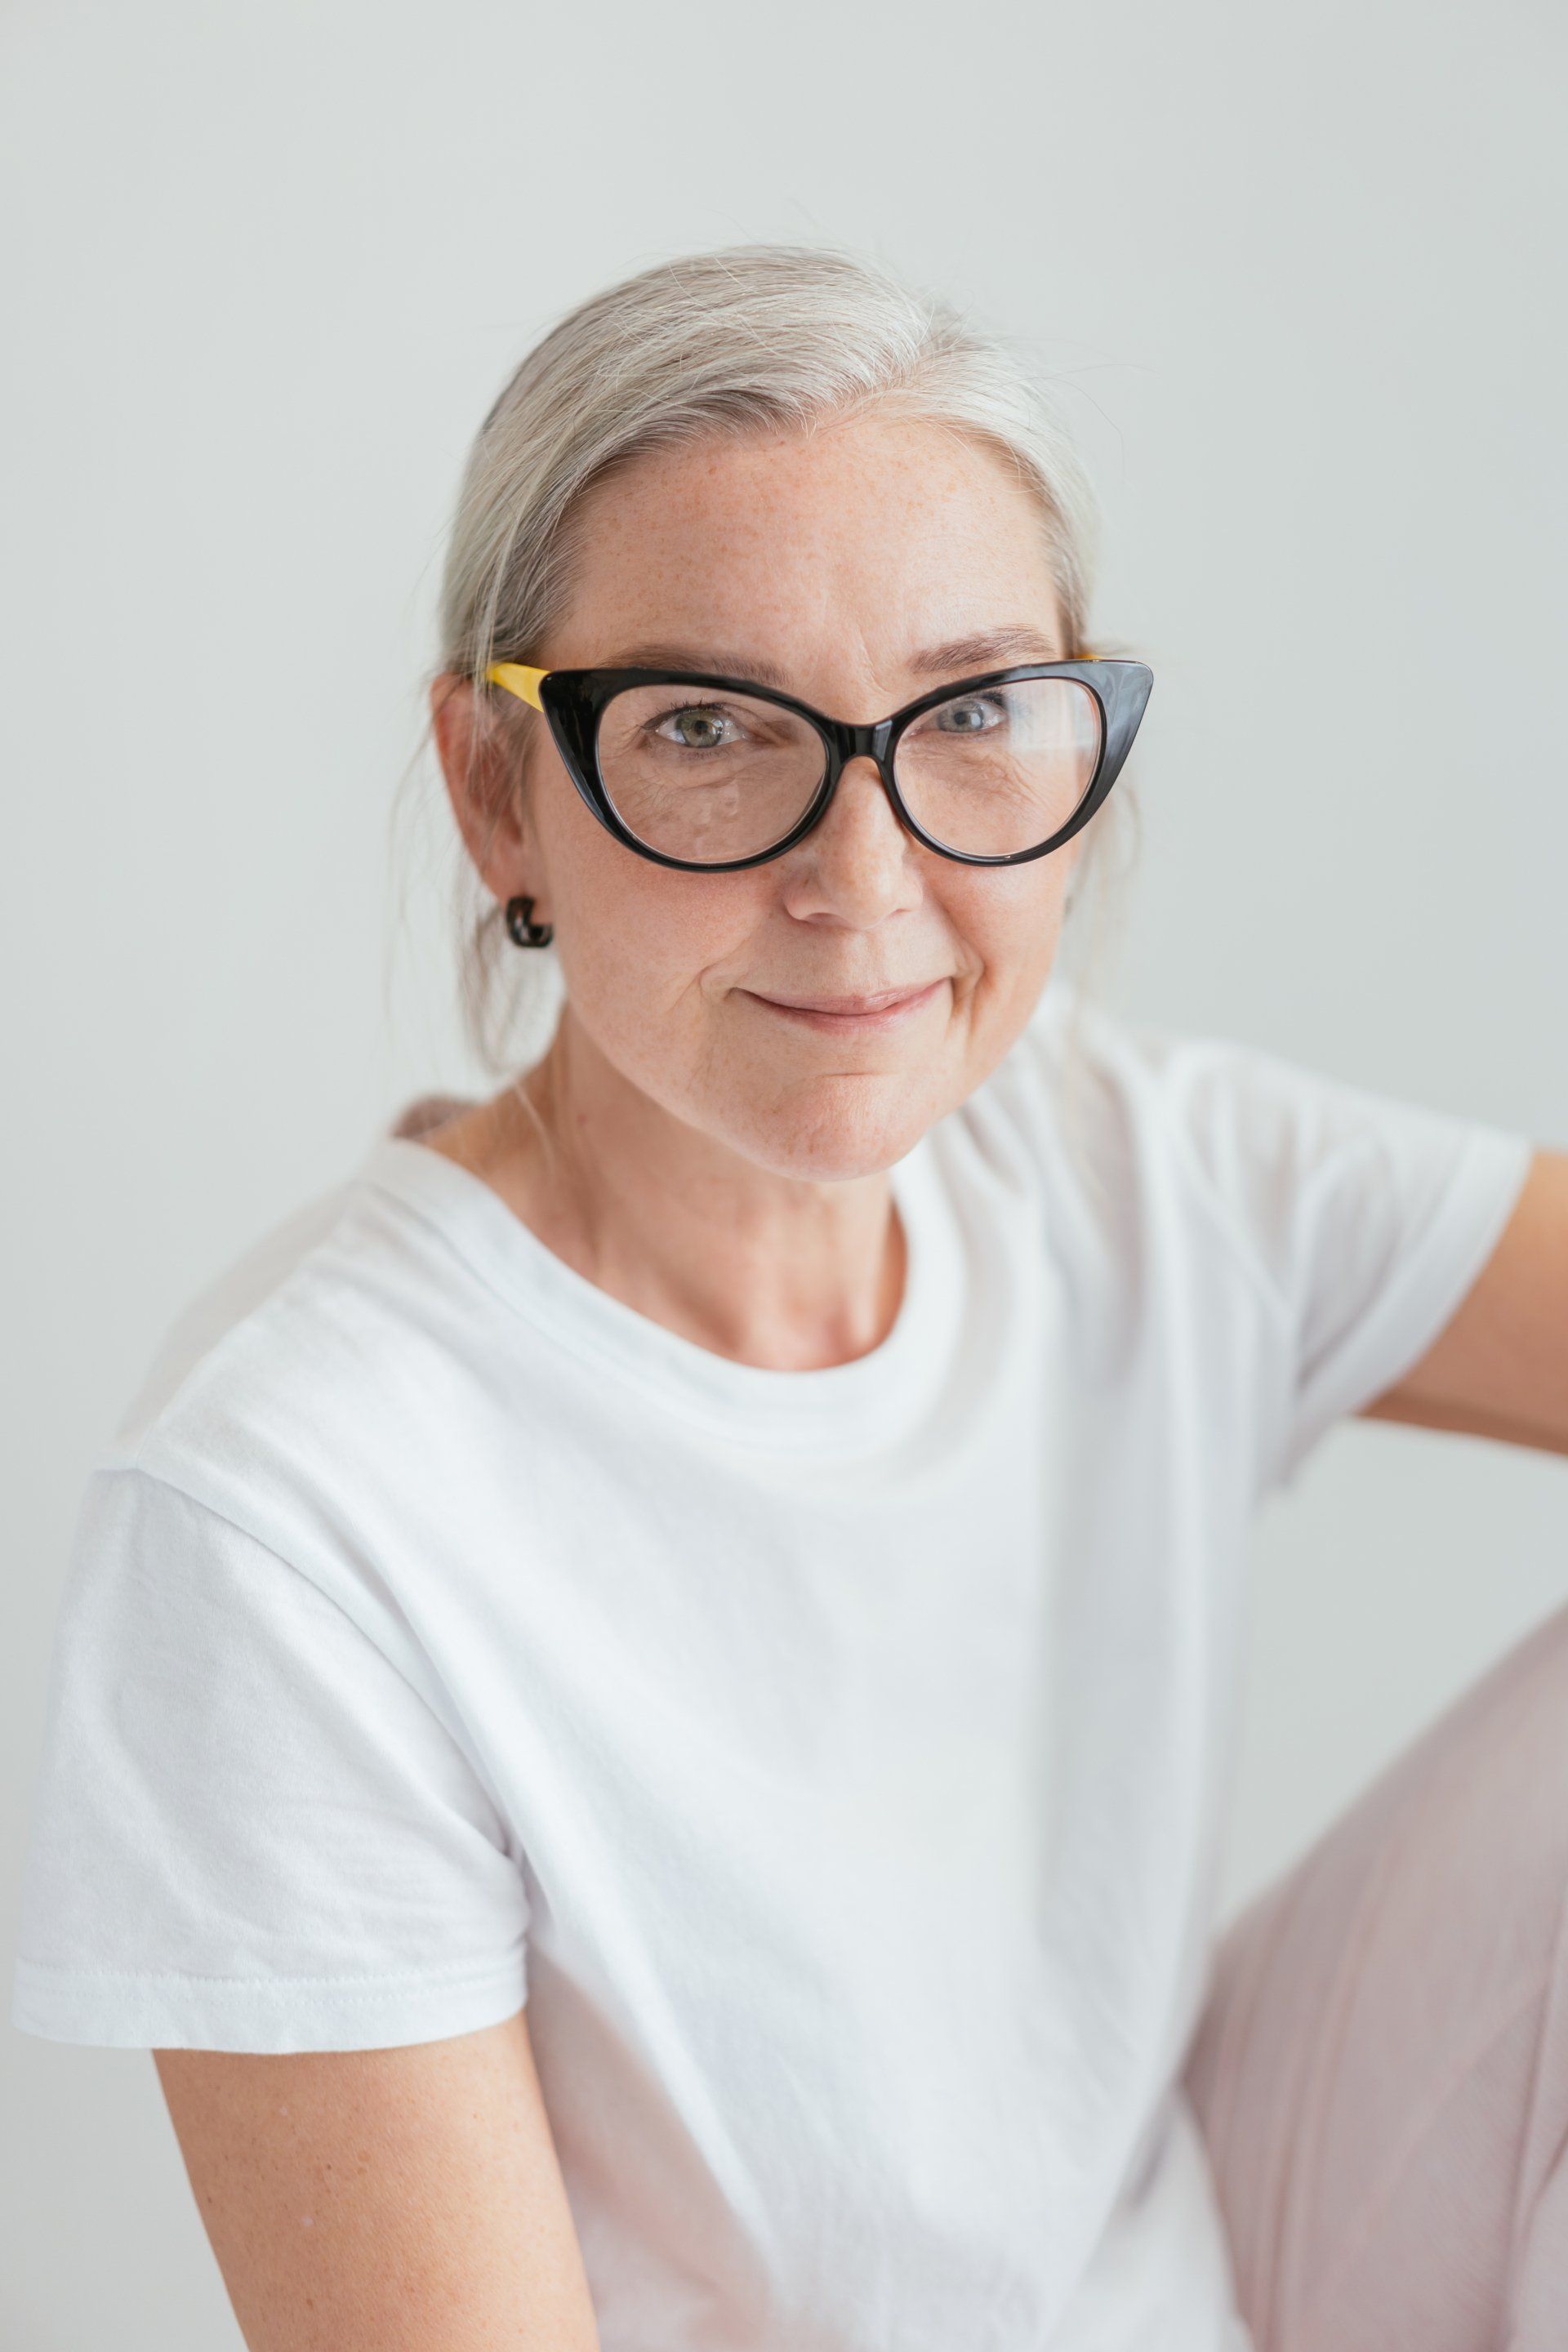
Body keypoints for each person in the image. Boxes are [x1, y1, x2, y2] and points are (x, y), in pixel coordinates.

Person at [11, 246, 1566, 2352]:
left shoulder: (1125, 1165)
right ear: (500, 795)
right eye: (710, 730)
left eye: (977, 713)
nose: (867, 879)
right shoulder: (287, 1524)